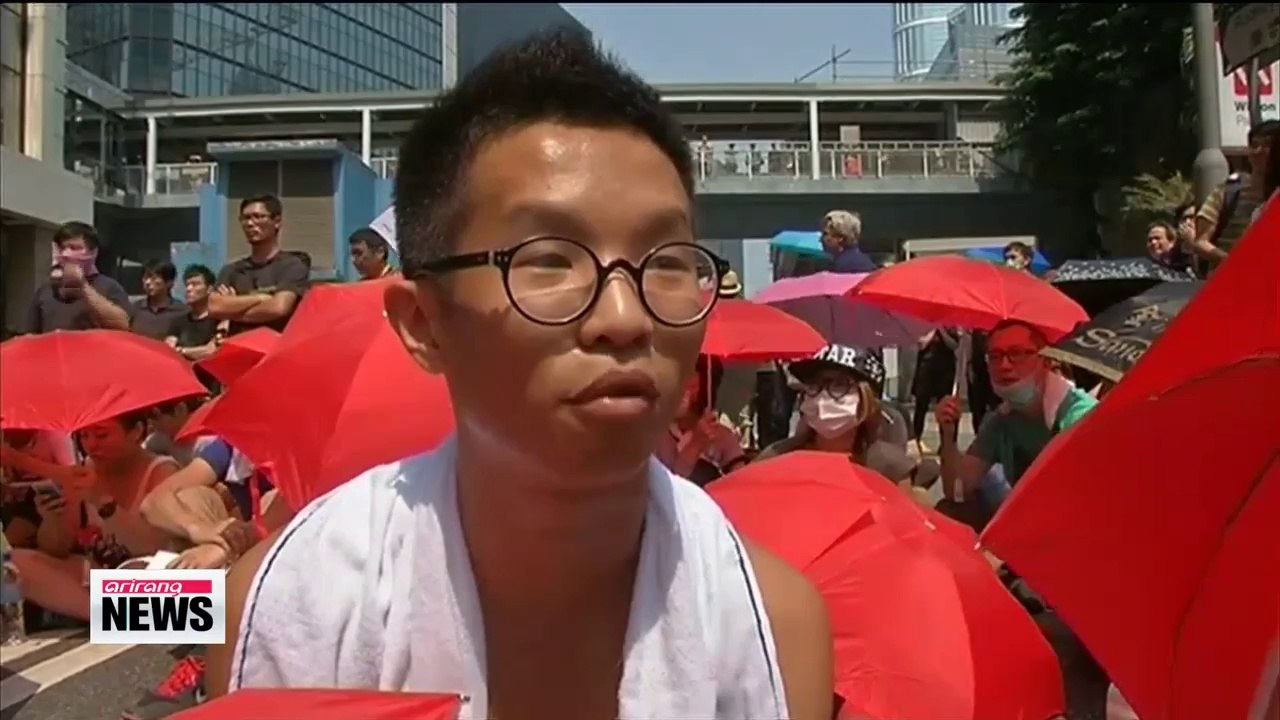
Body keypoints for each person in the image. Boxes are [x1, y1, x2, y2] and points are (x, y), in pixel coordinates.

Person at [208, 30, 832, 719]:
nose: (625, 317)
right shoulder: (287, 605)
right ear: (423, 325)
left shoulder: (775, 629)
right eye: (549, 261)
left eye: (667, 261)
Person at [7, 411, 178, 622]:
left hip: (154, 578)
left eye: (101, 435)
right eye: (84, 436)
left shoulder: (162, 471)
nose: (91, 445)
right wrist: (52, 518)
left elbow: (150, 545)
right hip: (99, 582)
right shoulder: (86, 469)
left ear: (136, 431)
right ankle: (108, 613)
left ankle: (110, 614)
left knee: (137, 569)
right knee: (15, 561)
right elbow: (57, 548)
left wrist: (102, 501)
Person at [934, 320, 1098, 504]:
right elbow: (957, 492)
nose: (1004, 365)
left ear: (1045, 361)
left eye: (1017, 353)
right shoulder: (1001, 419)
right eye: (995, 356)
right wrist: (948, 435)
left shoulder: (1080, 416)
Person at [756, 344, 918, 488]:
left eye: (839, 385)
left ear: (867, 397)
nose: (823, 396)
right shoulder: (776, 458)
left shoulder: (888, 466)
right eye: (814, 384)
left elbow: (903, 520)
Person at [208, 194, 310, 335]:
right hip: (239, 348)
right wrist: (260, 298)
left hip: (275, 348)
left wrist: (233, 309)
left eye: (258, 216)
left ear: (276, 221)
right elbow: (214, 307)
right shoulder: (231, 271)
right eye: (246, 218)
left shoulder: (292, 265)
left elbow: (278, 308)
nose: (250, 223)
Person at [1193, 120, 1278, 274]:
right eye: (1254, 145)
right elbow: (1200, 243)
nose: (1258, 151)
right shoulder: (1227, 192)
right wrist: (1235, 263)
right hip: (1228, 284)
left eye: (1267, 145)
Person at [21, 221, 132, 334]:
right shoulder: (45, 291)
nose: (66, 254)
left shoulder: (109, 287)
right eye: (63, 248)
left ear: (93, 252)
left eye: (75, 248)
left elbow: (123, 325)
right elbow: (31, 335)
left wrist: (83, 287)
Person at [654, 355, 746, 486]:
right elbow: (670, 488)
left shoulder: (722, 436)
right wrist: (695, 444)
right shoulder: (656, 436)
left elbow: (740, 482)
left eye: (689, 387)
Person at [166, 264, 222, 361]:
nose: (189, 289)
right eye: (187, 285)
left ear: (209, 289)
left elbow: (212, 350)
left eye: (195, 284)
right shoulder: (178, 321)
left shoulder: (218, 320)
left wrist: (182, 351)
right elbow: (169, 349)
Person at [131, 260, 187, 341]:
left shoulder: (182, 312)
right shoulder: (135, 308)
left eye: (154, 278)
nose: (148, 282)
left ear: (169, 282)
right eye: (145, 278)